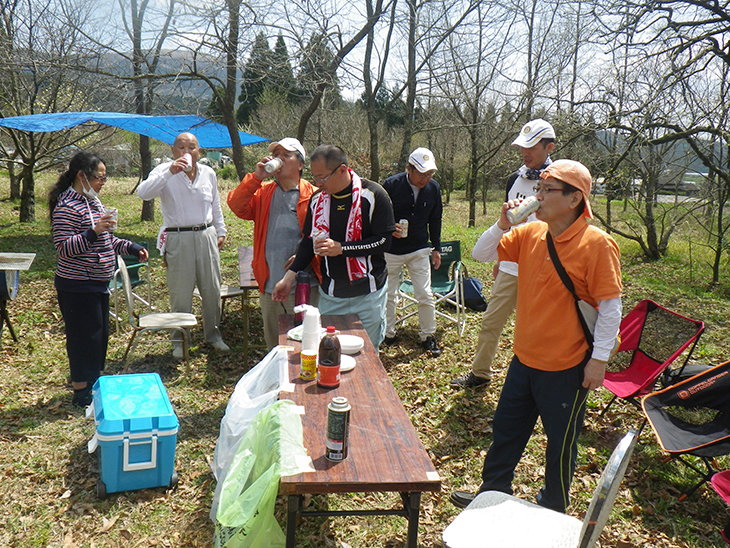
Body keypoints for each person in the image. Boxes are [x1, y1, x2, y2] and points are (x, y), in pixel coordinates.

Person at [449, 159, 622, 514]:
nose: (537, 196)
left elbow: (611, 308)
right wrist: (501, 223)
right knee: (506, 430)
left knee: (560, 443)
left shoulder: (597, 244)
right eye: (537, 189)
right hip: (524, 358)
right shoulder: (529, 234)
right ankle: (491, 492)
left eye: (547, 190)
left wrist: (599, 361)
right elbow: (480, 254)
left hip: (567, 365)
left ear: (575, 199)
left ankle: (553, 508)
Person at [451, 118, 555, 389]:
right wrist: (501, 258)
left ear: (549, 147)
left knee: (540, 331)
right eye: (522, 146)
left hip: (546, 268)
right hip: (512, 266)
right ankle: (480, 374)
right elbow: (509, 223)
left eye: (532, 146)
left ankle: (541, 383)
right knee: (490, 323)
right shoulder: (515, 178)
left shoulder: (561, 179)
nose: (525, 152)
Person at [50, 151, 149, 407]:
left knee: (99, 336)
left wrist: (131, 247)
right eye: (99, 178)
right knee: (83, 338)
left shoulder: (94, 202)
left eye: (105, 178)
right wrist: (93, 232)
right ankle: (81, 392)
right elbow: (65, 247)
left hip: (98, 283)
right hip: (76, 285)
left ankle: (94, 384)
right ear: (81, 176)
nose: (102, 183)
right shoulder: (66, 206)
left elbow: (108, 239)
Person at [272, 145, 396, 348]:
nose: (318, 184)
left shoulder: (373, 195)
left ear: (342, 169)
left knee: (368, 353)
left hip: (368, 293)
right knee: (332, 351)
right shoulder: (317, 200)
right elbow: (308, 242)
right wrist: (288, 278)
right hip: (331, 293)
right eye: (314, 178)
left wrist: (342, 248)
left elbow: (384, 241)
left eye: (322, 177)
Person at [137, 132, 229, 358]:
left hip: (206, 233)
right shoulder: (164, 171)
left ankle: (213, 335)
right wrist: (170, 171)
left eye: (192, 147)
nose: (186, 152)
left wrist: (221, 230)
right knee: (180, 291)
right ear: (172, 150)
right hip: (178, 236)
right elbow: (144, 193)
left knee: (211, 288)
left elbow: (215, 205)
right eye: (181, 147)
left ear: (199, 151)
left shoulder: (208, 173)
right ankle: (179, 339)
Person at [227, 138, 320, 350]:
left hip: (303, 285)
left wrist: (305, 257)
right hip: (269, 284)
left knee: (304, 343)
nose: (279, 159)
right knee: (275, 345)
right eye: (276, 155)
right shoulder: (263, 192)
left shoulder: (313, 195)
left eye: (286, 155)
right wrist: (256, 177)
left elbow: (321, 237)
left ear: (300, 164)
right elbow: (237, 206)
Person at [382, 147, 443, 357]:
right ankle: (388, 333)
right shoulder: (391, 185)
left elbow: (435, 219)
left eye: (429, 174)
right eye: (421, 173)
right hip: (391, 250)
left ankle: (428, 335)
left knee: (425, 293)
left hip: (419, 248)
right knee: (389, 294)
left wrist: (436, 248)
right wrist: (390, 230)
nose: (425, 179)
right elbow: (377, 215)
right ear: (409, 168)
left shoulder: (433, 188)